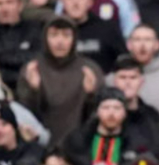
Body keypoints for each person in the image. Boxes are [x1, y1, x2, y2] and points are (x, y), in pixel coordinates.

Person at [17, 16, 104, 144]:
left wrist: (91, 95)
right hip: (40, 144)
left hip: (81, 145)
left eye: (66, 35)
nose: (60, 41)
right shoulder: (33, 69)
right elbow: (24, 116)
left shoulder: (90, 69)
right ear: (45, 39)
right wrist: (34, 91)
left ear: (74, 39)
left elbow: (99, 116)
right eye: (54, 35)